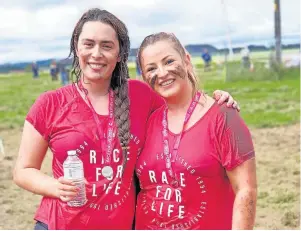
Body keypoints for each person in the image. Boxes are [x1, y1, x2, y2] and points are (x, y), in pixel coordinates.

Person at [13, 9, 239, 230]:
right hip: (58, 224)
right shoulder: (49, 104)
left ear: (120, 54)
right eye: (89, 44)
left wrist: (216, 102)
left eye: (107, 46)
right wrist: (56, 187)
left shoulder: (141, 95)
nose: (97, 53)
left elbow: (183, 109)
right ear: (76, 47)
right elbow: (23, 170)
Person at [135, 32, 257, 230]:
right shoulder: (147, 120)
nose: (162, 72)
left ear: (187, 61)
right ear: (144, 76)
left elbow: (246, 190)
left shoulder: (224, 117)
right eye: (152, 68)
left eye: (168, 61)